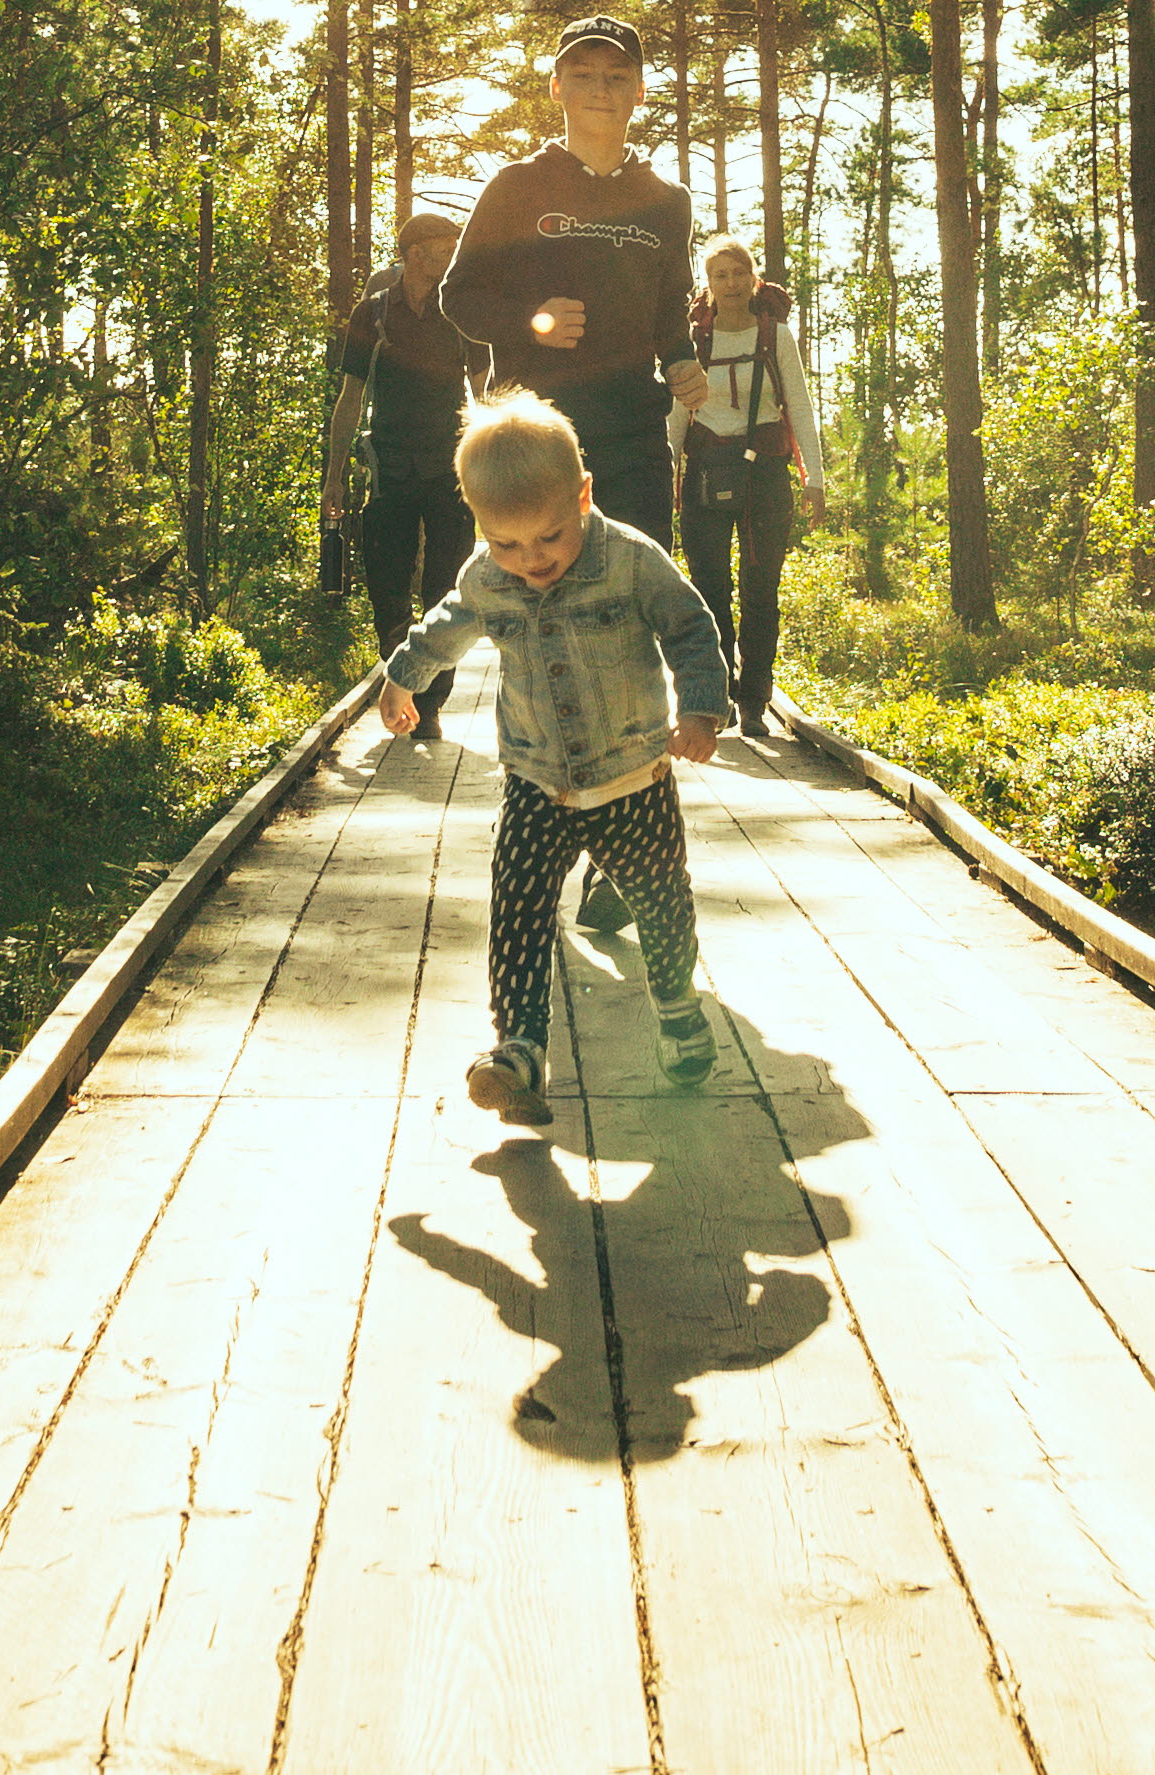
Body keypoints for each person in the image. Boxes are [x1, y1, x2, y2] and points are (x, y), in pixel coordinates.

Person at [377, 389, 733, 1117]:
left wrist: (701, 707)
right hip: (537, 780)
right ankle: (520, 1048)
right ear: (480, 524)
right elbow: (446, 624)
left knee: (663, 906)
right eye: (505, 543)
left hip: (634, 776)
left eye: (548, 536)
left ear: (583, 495)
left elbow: (691, 627)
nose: (529, 560)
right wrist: (402, 677)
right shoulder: (487, 574)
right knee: (518, 910)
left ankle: (674, 1006)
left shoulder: (631, 561)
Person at [437, 14, 709, 547]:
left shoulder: (668, 201)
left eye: (616, 76)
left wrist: (682, 359)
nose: (600, 90)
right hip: (531, 440)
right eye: (582, 75)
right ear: (557, 87)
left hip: (635, 442)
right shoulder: (516, 186)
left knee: (635, 603)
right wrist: (531, 322)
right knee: (533, 607)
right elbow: (458, 296)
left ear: (640, 92)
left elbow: (669, 310)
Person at [668, 233, 826, 739]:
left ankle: (754, 700)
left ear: (753, 279)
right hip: (707, 471)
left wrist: (814, 480)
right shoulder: (693, 341)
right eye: (720, 275)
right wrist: (665, 479)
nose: (730, 283)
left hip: (766, 475)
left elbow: (799, 407)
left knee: (761, 589)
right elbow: (674, 417)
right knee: (708, 587)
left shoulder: (775, 336)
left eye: (738, 273)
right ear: (707, 285)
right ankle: (719, 697)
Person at [321, 209, 470, 739]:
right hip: (388, 467)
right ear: (412, 252)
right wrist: (334, 476)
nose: (451, 251)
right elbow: (351, 395)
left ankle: (429, 708)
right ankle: (399, 668)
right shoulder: (374, 314)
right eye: (442, 244)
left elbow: (487, 390)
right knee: (386, 583)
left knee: (446, 589)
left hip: (451, 469)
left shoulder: (462, 313)